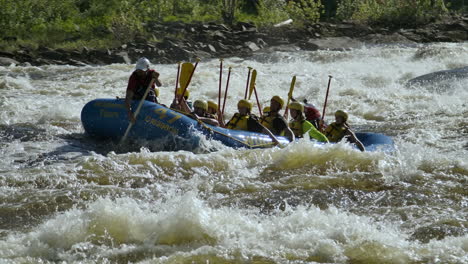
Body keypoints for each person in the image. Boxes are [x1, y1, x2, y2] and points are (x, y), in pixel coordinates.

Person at [125, 57, 162, 122]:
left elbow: (159, 85)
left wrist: (156, 78)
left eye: (142, 71)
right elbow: (128, 96)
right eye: (138, 70)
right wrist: (130, 112)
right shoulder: (134, 77)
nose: (139, 72)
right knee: (144, 91)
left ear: (147, 69)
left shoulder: (152, 73)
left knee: (150, 92)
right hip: (137, 97)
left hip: (150, 98)